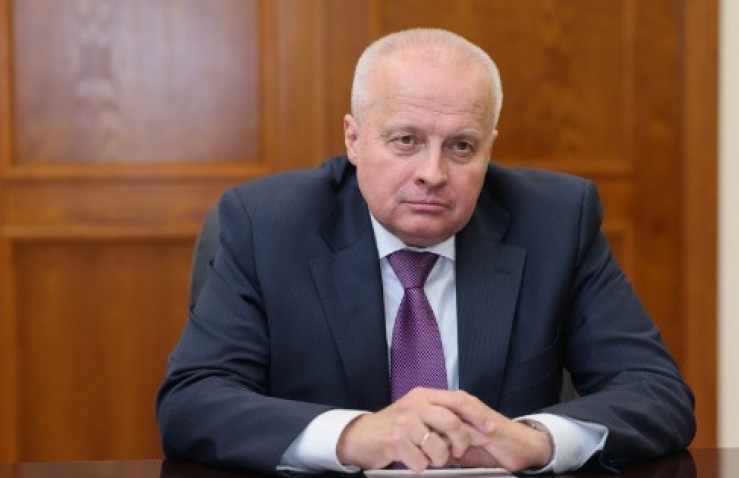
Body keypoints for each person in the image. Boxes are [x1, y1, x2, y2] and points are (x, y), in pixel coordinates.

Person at [157, 28, 695, 474]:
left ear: (489, 148)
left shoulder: (555, 222)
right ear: (353, 139)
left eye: (461, 146)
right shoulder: (268, 225)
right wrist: (354, 435)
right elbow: (192, 402)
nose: (432, 174)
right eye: (405, 141)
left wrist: (536, 439)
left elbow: (657, 393)